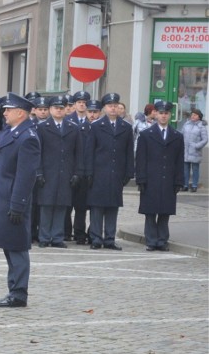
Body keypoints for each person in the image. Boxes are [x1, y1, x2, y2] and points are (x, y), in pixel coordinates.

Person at [0, 93, 40, 308]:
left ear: (20, 113)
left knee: (17, 247)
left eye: (7, 110)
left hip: (14, 199)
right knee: (9, 246)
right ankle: (13, 289)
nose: (4, 113)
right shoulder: (14, 131)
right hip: (3, 196)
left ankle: (19, 293)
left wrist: (18, 205)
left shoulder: (28, 137)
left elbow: (26, 176)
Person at [85, 93, 134, 250]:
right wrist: (89, 172)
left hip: (116, 173)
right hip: (99, 173)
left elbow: (129, 152)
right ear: (104, 108)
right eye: (110, 105)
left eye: (115, 105)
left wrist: (128, 173)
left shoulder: (126, 127)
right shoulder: (96, 126)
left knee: (113, 207)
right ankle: (96, 238)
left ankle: (110, 239)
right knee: (97, 207)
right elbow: (90, 151)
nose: (113, 108)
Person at [35, 95, 83, 248]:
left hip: (66, 173)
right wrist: (39, 172)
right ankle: (44, 237)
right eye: (56, 108)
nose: (59, 110)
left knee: (62, 206)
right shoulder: (42, 128)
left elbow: (78, 153)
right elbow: (38, 152)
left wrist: (77, 173)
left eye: (61, 108)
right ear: (50, 109)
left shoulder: (73, 128)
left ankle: (57, 237)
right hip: (48, 172)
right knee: (46, 206)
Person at [135, 101, 184, 251]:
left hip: (168, 179)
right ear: (156, 114)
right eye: (161, 113)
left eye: (166, 113)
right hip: (151, 178)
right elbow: (141, 159)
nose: (163, 116)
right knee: (150, 212)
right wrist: (141, 178)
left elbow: (179, 160)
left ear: (170, 115)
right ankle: (151, 240)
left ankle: (162, 240)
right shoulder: (146, 135)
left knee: (165, 211)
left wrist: (178, 180)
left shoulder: (177, 135)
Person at [181, 108, 207, 192]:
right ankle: (185, 185)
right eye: (192, 114)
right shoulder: (186, 124)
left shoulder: (201, 126)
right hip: (186, 151)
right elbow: (181, 135)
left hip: (195, 151)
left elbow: (205, 139)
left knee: (195, 169)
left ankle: (194, 185)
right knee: (185, 169)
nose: (192, 116)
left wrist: (197, 146)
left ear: (199, 117)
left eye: (195, 115)